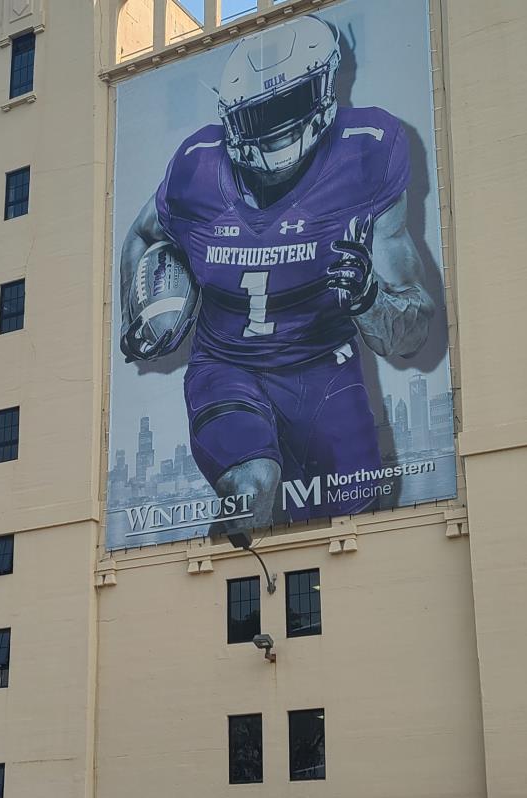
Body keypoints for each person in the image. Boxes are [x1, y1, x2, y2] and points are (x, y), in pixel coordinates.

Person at [118, 14, 433, 528]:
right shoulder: (198, 165)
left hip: (323, 364)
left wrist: (370, 299)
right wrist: (140, 311)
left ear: (324, 86)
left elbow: (411, 329)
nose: (275, 128)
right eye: (257, 114)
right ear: (231, 118)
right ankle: (223, 599)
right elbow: (143, 234)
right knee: (253, 487)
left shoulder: (366, 153)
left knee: (359, 514)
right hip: (227, 363)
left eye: (287, 105)